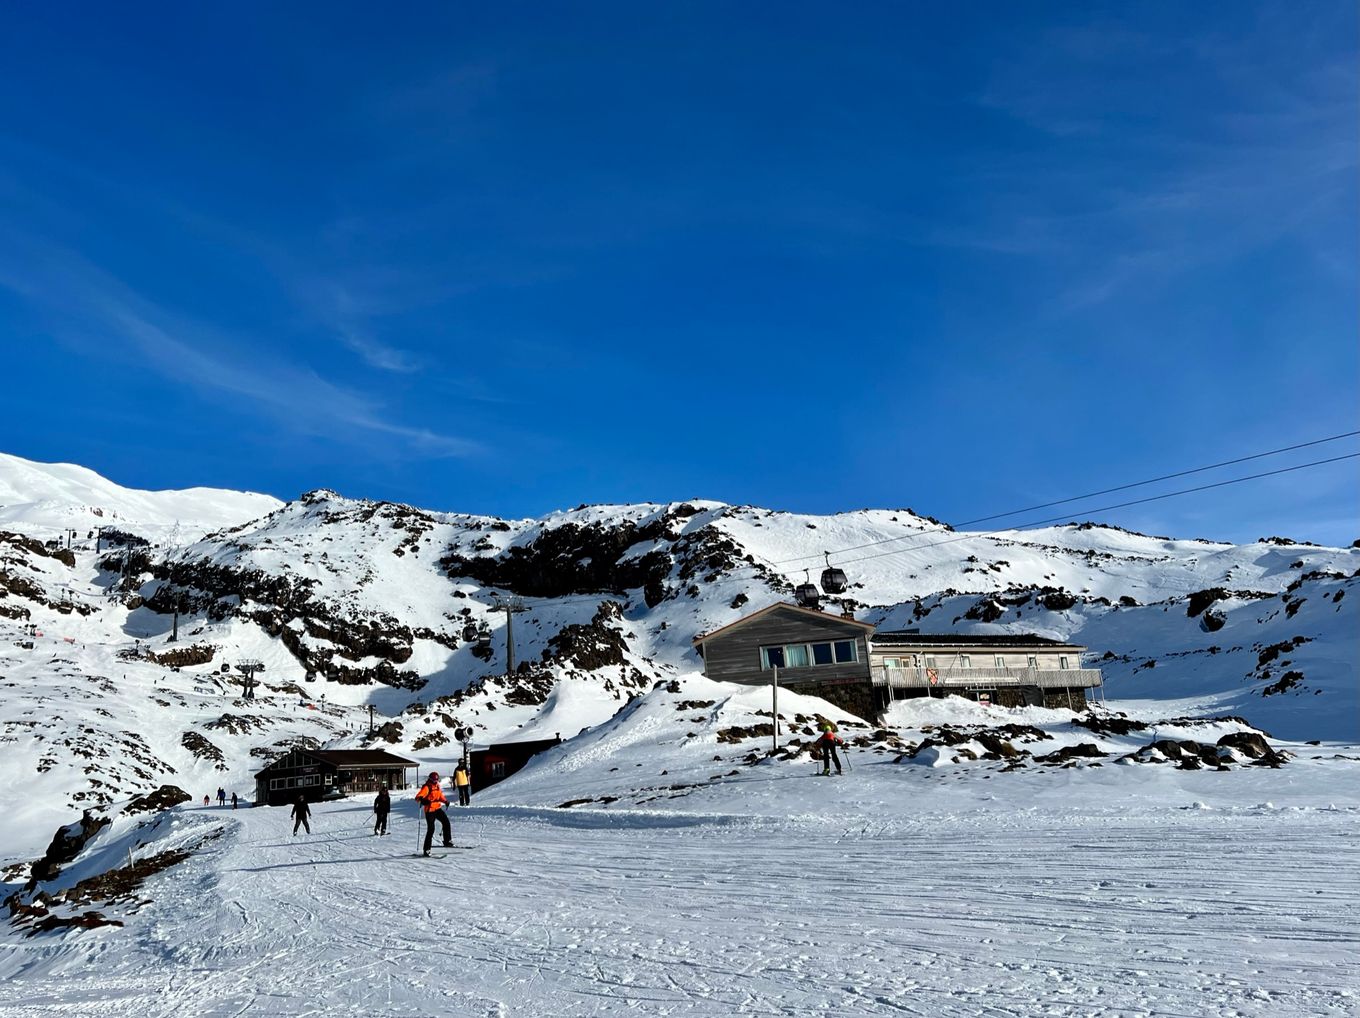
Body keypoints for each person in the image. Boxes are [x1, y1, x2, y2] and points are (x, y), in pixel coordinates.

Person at [414, 772, 452, 856]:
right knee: (431, 829)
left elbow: (440, 796)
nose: (436, 781)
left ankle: (447, 841)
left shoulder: (437, 786)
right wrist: (422, 800)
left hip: (437, 808)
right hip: (430, 810)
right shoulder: (427, 787)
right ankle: (426, 849)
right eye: (434, 780)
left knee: (446, 822)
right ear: (431, 780)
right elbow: (418, 797)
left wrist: (445, 801)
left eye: (437, 780)